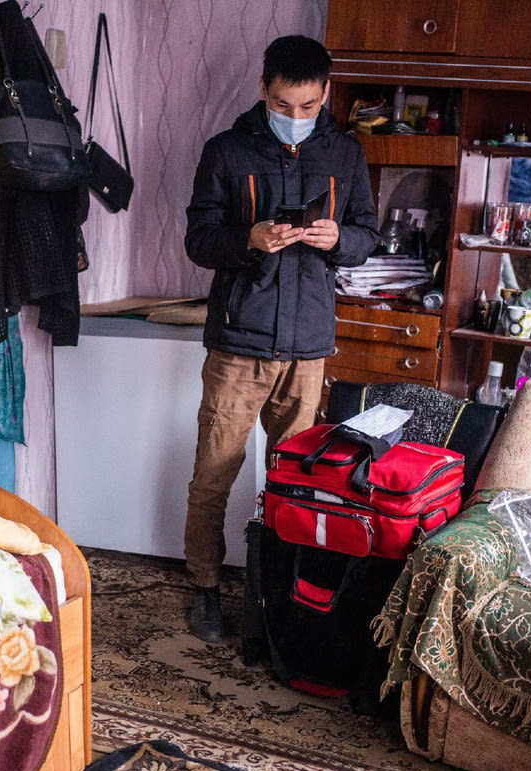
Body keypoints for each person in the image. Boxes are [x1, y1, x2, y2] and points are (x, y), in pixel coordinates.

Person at [181, 35, 379, 642]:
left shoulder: (345, 153)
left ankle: (279, 593)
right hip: (239, 344)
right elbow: (198, 240)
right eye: (284, 105)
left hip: (309, 344)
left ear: (326, 94)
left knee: (296, 483)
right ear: (263, 89)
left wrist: (339, 240)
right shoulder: (226, 150)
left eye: (309, 106)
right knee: (213, 476)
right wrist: (250, 238)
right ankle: (204, 587)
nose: (297, 117)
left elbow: (366, 235)